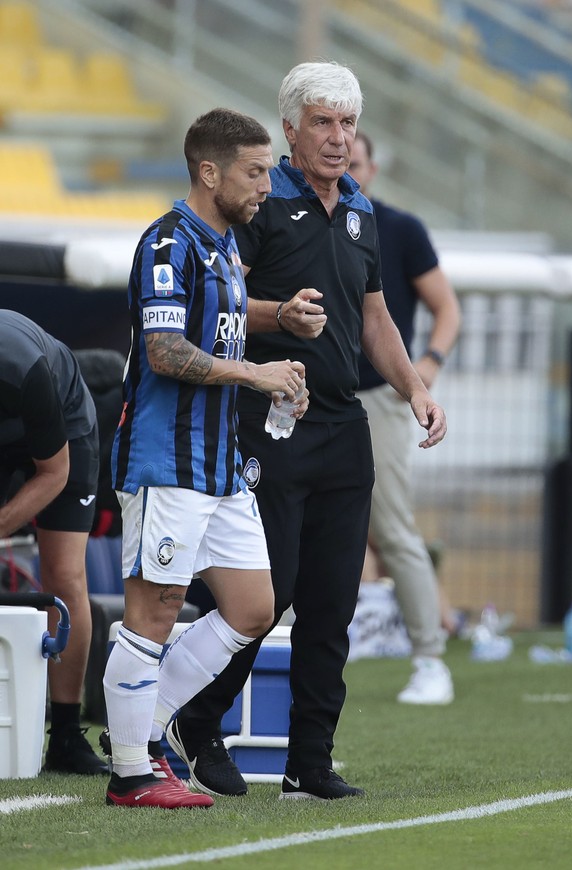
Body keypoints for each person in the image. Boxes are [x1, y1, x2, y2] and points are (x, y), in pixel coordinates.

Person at [168, 61, 447, 802]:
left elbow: (377, 317)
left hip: (344, 423)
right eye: (323, 122)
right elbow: (221, 298)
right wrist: (278, 317)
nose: (338, 138)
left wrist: (415, 386)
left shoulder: (361, 211)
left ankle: (308, 764)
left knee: (333, 602)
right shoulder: (258, 204)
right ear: (290, 129)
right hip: (268, 422)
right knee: (271, 589)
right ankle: (198, 724)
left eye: (348, 123)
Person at [102, 107, 307, 809]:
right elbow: (164, 352)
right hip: (166, 461)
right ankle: (132, 772)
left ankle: (146, 725)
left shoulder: (222, 246)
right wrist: (254, 374)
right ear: (209, 171)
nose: (267, 187)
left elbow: (220, 324)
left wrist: (277, 339)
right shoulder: (167, 243)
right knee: (154, 610)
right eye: (255, 172)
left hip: (219, 465)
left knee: (254, 607)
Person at [348, 131, 462, 704]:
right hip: (307, 396)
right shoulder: (299, 220)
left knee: (392, 529)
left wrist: (425, 371)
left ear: (371, 167)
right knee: (292, 527)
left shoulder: (400, 229)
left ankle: (429, 658)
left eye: (357, 159)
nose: (348, 166)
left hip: (377, 397)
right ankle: (285, 652)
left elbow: (446, 307)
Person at [0, 310, 108, 775]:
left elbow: (54, 474)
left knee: (63, 574)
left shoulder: (24, 370)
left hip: (62, 432)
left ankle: (65, 731)